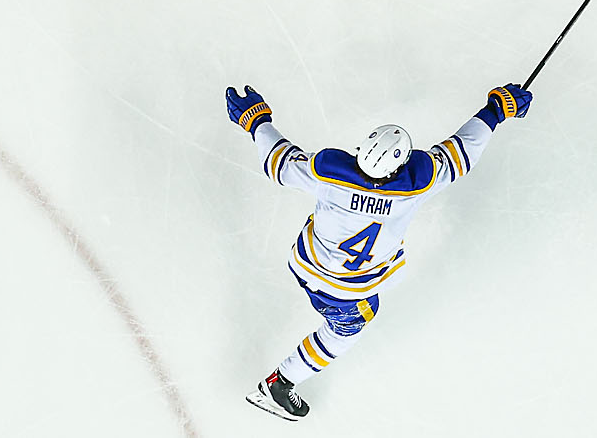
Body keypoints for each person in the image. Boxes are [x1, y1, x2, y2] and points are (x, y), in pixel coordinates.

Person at [226, 82, 532, 421]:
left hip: (304, 264)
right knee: (347, 330)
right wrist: (496, 111)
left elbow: (279, 163)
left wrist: (255, 121)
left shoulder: (329, 174)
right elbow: (460, 152)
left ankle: (284, 375)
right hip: (347, 292)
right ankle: (279, 384)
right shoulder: (415, 186)